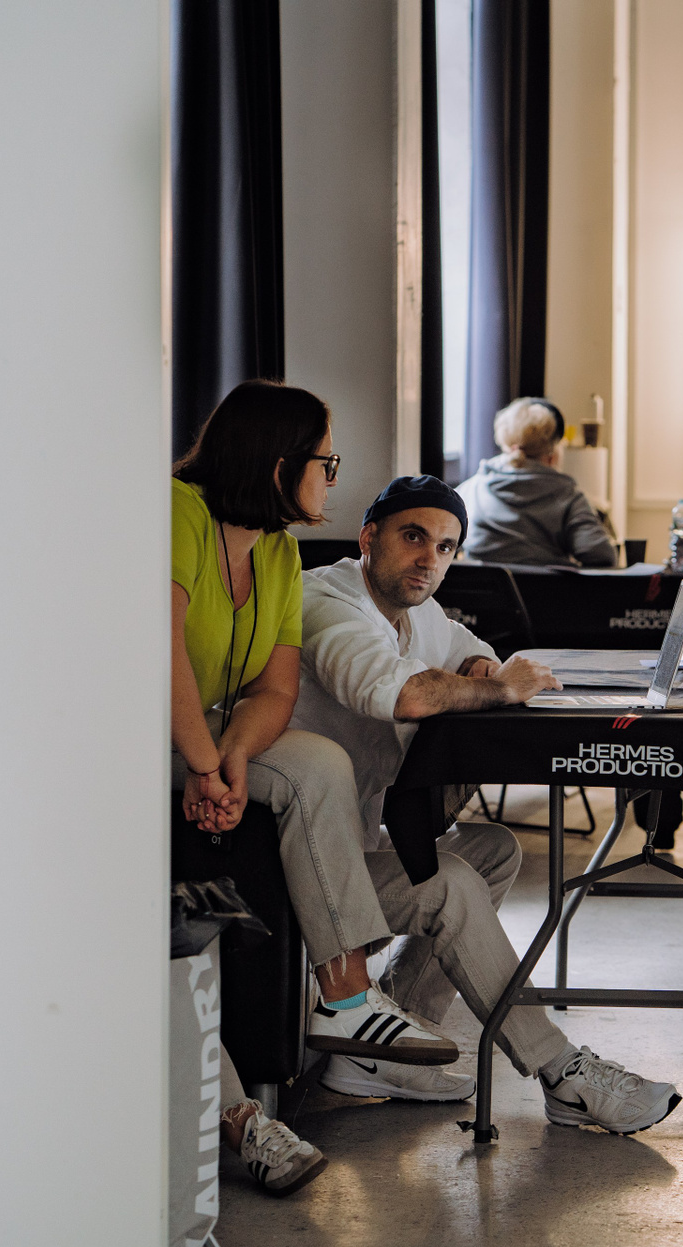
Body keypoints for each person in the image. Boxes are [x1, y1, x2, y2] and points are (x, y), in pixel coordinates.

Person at [290, 475, 683, 1134]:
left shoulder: (415, 612)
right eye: (413, 537)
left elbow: (468, 649)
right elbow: (402, 693)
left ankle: (382, 1051)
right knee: (449, 883)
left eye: (446, 547)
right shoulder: (327, 602)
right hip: (302, 867)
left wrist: (479, 672)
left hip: (354, 847)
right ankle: (561, 1073)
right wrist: (499, 691)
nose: (429, 559)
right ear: (369, 538)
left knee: (493, 850)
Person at [170, 380, 460, 1196]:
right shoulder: (176, 514)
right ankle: (255, 1104)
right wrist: (204, 763)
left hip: (213, 731)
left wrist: (231, 757)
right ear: (278, 463)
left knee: (317, 760)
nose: (332, 478)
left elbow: (275, 688)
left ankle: (345, 995)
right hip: (126, 732)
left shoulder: (275, 550)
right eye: (324, 463)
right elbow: (158, 656)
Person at [456, 396, 616, 567]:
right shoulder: (568, 496)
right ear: (553, 453)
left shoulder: (470, 490)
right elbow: (601, 555)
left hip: (482, 585)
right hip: (545, 585)